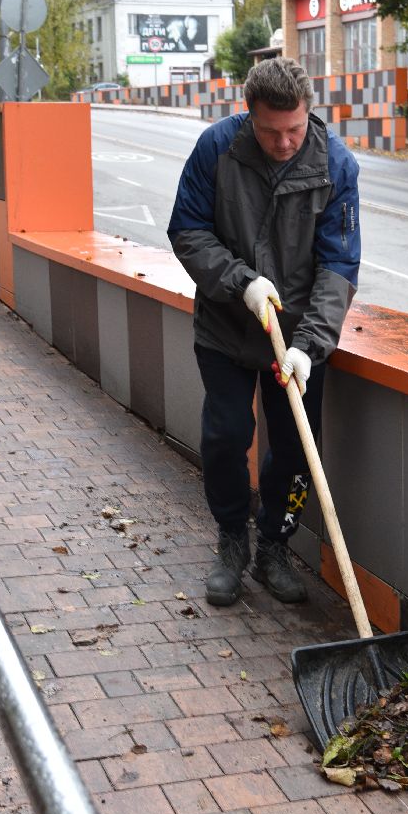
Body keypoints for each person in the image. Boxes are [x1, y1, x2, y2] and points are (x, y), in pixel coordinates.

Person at [168, 57, 360, 606]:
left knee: (296, 449)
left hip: (297, 337)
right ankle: (232, 539)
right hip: (227, 325)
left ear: (308, 113)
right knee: (226, 437)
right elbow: (187, 230)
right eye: (271, 131)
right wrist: (242, 282)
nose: (284, 142)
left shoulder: (335, 165)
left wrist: (309, 347)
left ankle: (274, 545)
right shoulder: (217, 149)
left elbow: (339, 266)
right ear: (249, 114)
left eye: (294, 129)